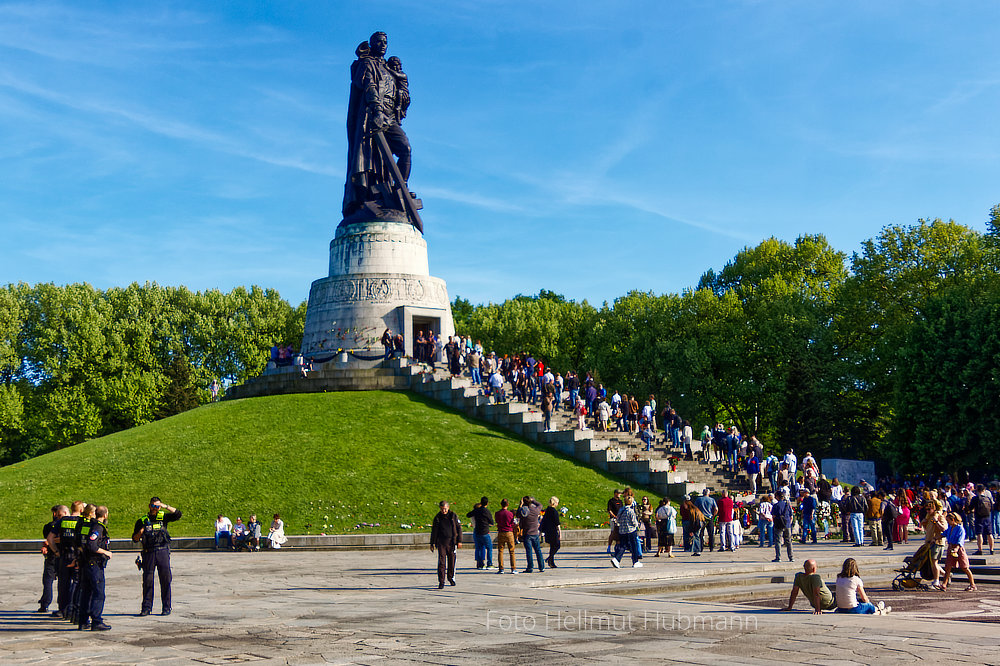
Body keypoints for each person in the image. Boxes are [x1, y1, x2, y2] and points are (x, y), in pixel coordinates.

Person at [132, 497, 182, 616]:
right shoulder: (143, 520)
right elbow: (134, 539)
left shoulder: (163, 517)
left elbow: (178, 514)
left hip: (162, 551)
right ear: (149, 506)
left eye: (157, 506)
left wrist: (165, 506)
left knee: (165, 580)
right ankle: (146, 608)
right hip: (149, 552)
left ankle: (166, 607)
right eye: (153, 506)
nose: (155, 509)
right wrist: (141, 531)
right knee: (148, 581)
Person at [77, 505, 113, 631]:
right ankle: (96, 621)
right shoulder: (98, 527)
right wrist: (106, 552)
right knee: (98, 593)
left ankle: (83, 621)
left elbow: (80, 542)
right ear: (105, 515)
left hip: (85, 563)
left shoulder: (88, 525)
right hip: (94, 565)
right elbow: (92, 545)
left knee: (86, 593)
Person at [53, 500, 84, 620]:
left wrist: (56, 551)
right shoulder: (82, 522)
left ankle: (62, 610)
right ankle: (73, 609)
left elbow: (51, 538)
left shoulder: (62, 521)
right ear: (81, 510)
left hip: (63, 555)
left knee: (63, 584)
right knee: (76, 583)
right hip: (76, 556)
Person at [38, 505, 66, 614]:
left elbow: (48, 539)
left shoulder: (49, 526)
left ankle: (45, 604)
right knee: (64, 582)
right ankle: (63, 606)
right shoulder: (68, 525)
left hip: (52, 555)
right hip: (64, 555)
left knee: (48, 581)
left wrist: (47, 545)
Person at [940, 512, 977, 591]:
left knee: (965, 567)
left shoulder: (960, 528)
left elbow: (960, 540)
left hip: (958, 549)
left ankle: (972, 584)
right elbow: (944, 534)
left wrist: (956, 548)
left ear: (953, 520)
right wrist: (935, 538)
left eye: (948, 520)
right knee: (948, 567)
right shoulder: (950, 528)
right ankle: (944, 584)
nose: (947, 522)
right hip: (951, 547)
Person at [430, 501, 462, 588]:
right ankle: (441, 581)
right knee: (441, 562)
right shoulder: (437, 517)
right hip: (441, 542)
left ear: (448, 507)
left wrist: (459, 541)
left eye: (445, 509)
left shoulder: (453, 516)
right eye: (442, 509)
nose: (443, 511)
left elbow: (459, 528)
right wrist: (432, 543)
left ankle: (451, 577)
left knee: (452, 561)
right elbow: (434, 531)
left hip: (451, 542)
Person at [611, 489, 643, 568]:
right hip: (631, 530)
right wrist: (637, 525)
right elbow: (633, 522)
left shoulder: (621, 509)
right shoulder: (631, 511)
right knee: (634, 546)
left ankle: (617, 559)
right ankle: (635, 561)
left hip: (622, 530)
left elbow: (618, 519)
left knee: (623, 545)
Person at [466, 497, 494, 570]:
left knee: (479, 548)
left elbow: (468, 514)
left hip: (477, 531)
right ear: (487, 503)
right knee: (489, 548)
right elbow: (491, 522)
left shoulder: (477, 510)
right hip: (485, 531)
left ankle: (480, 564)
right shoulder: (486, 511)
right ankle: (489, 563)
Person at [518, 496, 545, 573]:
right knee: (538, 550)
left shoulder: (524, 511)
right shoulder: (535, 510)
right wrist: (533, 501)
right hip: (535, 533)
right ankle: (541, 567)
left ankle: (530, 567)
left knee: (529, 552)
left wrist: (520, 505)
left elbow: (518, 514)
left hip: (527, 533)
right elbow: (540, 505)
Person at [970, 484, 995, 556]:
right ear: (984, 490)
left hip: (978, 517)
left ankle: (980, 550)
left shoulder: (975, 498)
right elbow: (991, 507)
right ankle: (991, 549)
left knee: (979, 534)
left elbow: (970, 507)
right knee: (989, 534)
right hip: (987, 517)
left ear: (977, 490)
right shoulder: (988, 498)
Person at [494, 499, 517, 574]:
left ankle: (501, 568)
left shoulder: (497, 513)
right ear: (507, 504)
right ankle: (513, 568)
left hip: (501, 532)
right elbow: (512, 523)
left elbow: (497, 521)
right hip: (509, 532)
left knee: (500, 550)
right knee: (512, 551)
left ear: (501, 504)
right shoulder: (510, 514)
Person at [772, 489, 794, 563]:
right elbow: (791, 516)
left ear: (777, 497)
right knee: (788, 541)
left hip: (778, 524)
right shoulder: (788, 505)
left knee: (778, 541)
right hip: (787, 524)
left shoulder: (776, 505)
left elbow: (774, 516)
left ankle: (778, 557)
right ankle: (791, 557)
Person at [541, 496, 562, 568]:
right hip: (553, 530)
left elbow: (544, 521)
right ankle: (550, 559)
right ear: (555, 503)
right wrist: (560, 532)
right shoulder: (554, 511)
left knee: (552, 546)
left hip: (548, 530)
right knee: (556, 545)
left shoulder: (547, 510)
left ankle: (551, 561)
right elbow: (557, 523)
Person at [606, 489, 623, 554]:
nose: (619, 494)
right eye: (618, 493)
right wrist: (614, 516)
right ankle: (609, 546)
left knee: (619, 533)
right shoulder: (611, 501)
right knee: (613, 532)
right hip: (613, 519)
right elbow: (609, 510)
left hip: (620, 519)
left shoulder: (620, 501)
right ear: (615, 493)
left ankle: (618, 546)